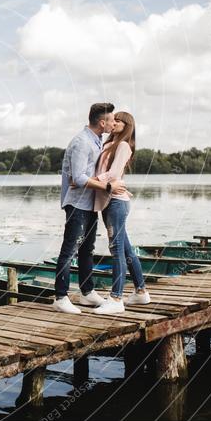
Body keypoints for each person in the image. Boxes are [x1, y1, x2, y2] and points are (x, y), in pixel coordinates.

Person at [52, 103, 127, 314]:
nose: (114, 123)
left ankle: (87, 292)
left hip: (89, 203)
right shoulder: (82, 142)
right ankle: (60, 297)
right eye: (112, 120)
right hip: (77, 204)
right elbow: (77, 177)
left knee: (87, 249)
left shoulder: (97, 140)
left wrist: (96, 181)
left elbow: (88, 174)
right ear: (102, 123)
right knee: (70, 250)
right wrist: (107, 186)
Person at [92, 111, 151, 314]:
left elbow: (115, 174)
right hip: (109, 201)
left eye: (118, 120)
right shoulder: (108, 143)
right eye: (113, 119)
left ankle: (116, 299)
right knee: (125, 249)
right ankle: (141, 292)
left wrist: (89, 182)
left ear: (127, 126)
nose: (114, 122)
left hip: (116, 202)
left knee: (116, 249)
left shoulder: (123, 145)